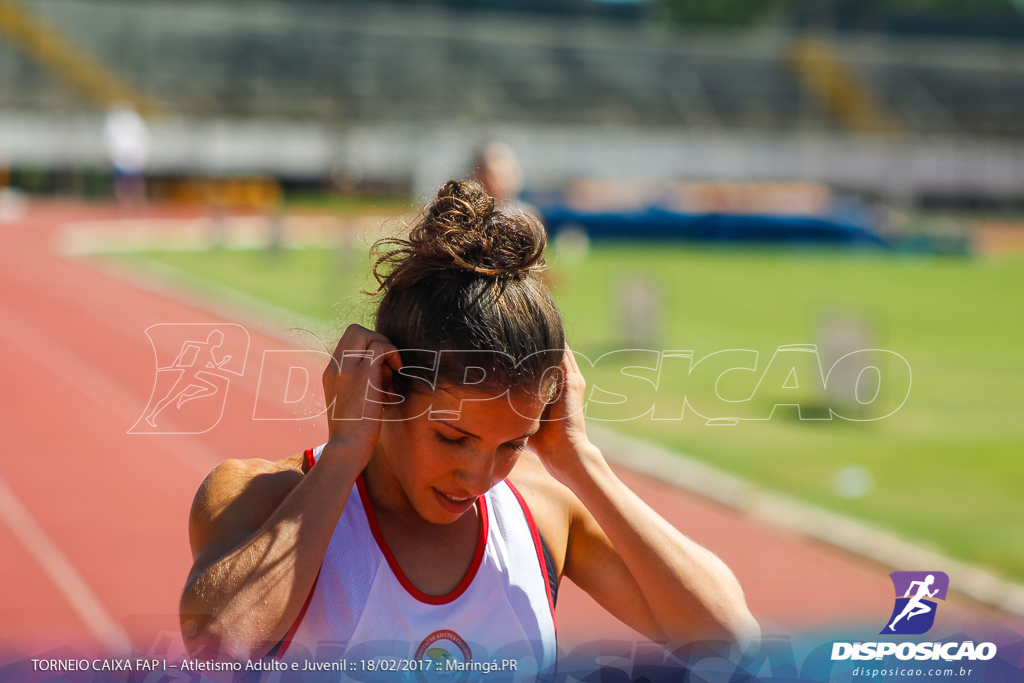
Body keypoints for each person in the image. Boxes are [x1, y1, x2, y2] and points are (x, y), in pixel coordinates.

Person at [179, 181, 758, 675]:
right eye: (453, 438)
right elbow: (217, 652)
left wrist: (580, 459)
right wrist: (344, 452)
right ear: (386, 385)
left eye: (512, 443)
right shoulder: (261, 495)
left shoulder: (544, 514)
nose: (479, 474)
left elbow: (731, 644)